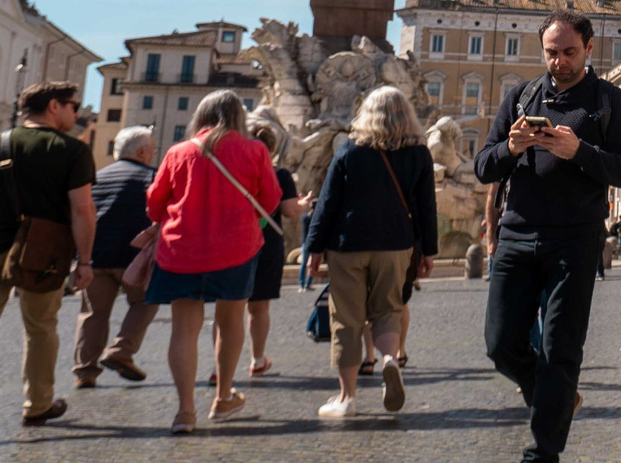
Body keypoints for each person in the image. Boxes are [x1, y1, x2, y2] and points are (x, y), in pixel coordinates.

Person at [474, 15, 621, 463]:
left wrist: (580, 151)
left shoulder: (608, 101)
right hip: (515, 235)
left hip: (575, 240)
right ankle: (558, 396)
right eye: (551, 52)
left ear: (588, 48)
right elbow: (482, 164)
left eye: (568, 52)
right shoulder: (522, 97)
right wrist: (511, 146)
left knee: (559, 349)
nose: (559, 61)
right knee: (500, 343)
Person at [0, 82, 98, 446]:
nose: (77, 115)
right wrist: (85, 259)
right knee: (41, 328)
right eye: (74, 107)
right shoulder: (72, 151)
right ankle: (37, 405)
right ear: (54, 107)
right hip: (43, 256)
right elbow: (83, 209)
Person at [142, 91, 280, 432]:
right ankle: (222, 397)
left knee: (183, 329)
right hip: (236, 248)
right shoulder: (255, 150)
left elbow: (154, 204)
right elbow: (271, 199)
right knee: (230, 322)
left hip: (181, 250)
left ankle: (185, 412)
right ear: (238, 117)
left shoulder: (178, 152)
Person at [306, 85, 441, 418]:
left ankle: (346, 398)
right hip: (396, 244)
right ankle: (388, 360)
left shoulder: (351, 150)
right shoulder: (419, 153)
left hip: (348, 243)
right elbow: (427, 206)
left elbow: (327, 202)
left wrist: (314, 247)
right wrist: (428, 251)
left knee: (347, 320)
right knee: (387, 310)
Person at [74, 127, 161, 387]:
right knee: (145, 301)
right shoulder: (151, 176)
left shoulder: (96, 178)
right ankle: (121, 350)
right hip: (133, 257)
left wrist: (80, 257)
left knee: (92, 314)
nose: (153, 154)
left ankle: (85, 371)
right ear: (142, 152)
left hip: (94, 256)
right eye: (152, 150)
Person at [243, 112, 309, 379]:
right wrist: (304, 204)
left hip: (233, 241)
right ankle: (257, 359)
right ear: (272, 148)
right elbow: (290, 210)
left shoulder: (237, 173)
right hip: (266, 243)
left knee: (229, 306)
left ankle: (218, 367)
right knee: (258, 307)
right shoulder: (279, 174)